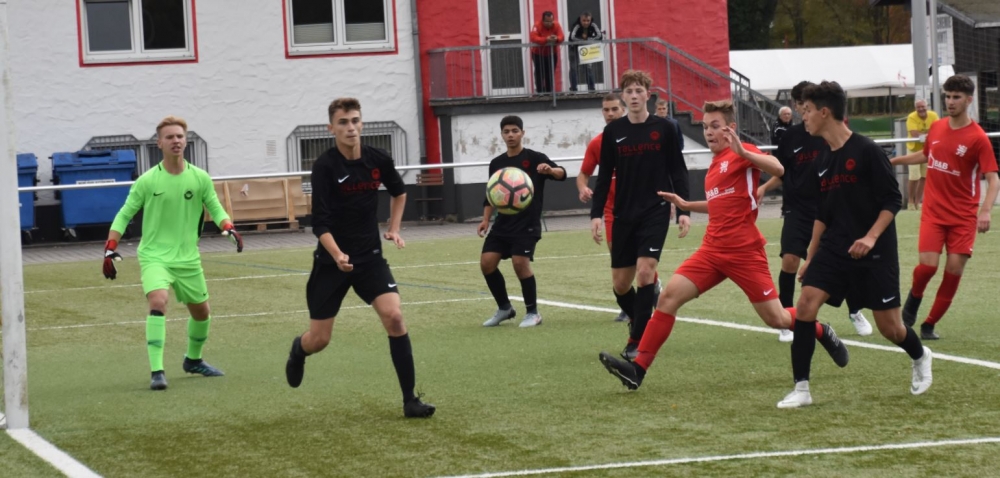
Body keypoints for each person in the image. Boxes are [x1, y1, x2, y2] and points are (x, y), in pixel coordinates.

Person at [597, 100, 848, 392]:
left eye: (715, 126)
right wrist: (686, 204)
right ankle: (637, 369)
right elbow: (718, 204)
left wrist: (744, 152)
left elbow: (779, 168)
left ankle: (820, 330)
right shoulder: (714, 166)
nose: (708, 132)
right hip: (712, 251)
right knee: (667, 298)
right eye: (705, 127)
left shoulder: (742, 152)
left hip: (744, 252)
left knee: (777, 318)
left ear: (730, 128)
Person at [778, 81, 932, 409]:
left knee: (890, 328)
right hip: (835, 248)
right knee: (805, 305)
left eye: (808, 111)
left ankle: (920, 356)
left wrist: (871, 237)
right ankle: (801, 388)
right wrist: (812, 257)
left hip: (875, 251)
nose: (804, 117)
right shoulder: (822, 159)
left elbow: (892, 200)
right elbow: (822, 214)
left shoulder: (867, 150)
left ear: (824, 112)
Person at [283, 98, 435, 418]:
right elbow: (320, 223)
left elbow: (399, 191)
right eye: (343, 122)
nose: (350, 127)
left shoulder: (378, 159)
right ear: (331, 128)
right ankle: (299, 350)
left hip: (370, 259)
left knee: (395, 317)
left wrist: (394, 228)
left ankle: (410, 400)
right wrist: (338, 254)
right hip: (331, 264)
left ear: (362, 124)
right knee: (319, 340)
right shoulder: (325, 166)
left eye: (355, 120)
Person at [104, 115, 242, 391]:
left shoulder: (199, 177)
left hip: (188, 258)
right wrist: (110, 247)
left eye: (179, 136)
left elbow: (215, 207)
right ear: (159, 143)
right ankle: (157, 371)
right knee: (158, 301)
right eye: (170, 137)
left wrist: (228, 226)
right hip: (154, 256)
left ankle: (193, 360)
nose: (175, 141)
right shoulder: (147, 181)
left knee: (202, 313)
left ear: (185, 141)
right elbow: (124, 214)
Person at [757, 81, 872, 343]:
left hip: (829, 207)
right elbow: (782, 171)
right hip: (798, 208)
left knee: (843, 259)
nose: (803, 109)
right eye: (800, 104)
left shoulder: (828, 133)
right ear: (796, 105)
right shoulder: (790, 137)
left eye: (807, 104)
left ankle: (855, 310)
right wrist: (764, 187)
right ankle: (787, 318)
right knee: (790, 260)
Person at [589, 70, 690, 360]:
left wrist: (683, 210)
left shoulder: (665, 128)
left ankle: (637, 340)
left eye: (638, 91)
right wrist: (596, 214)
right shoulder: (613, 132)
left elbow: (678, 170)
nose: (634, 96)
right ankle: (641, 318)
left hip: (656, 210)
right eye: (629, 91)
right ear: (623, 96)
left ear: (648, 94)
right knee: (621, 285)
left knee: (645, 272)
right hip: (624, 213)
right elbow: (604, 176)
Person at [891, 75, 999, 340]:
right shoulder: (937, 127)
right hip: (934, 212)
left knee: (953, 271)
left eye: (956, 97)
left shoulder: (978, 138)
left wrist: (985, 210)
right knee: (927, 267)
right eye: (948, 96)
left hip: (963, 217)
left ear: (969, 100)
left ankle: (929, 324)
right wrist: (893, 161)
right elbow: (926, 155)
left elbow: (993, 179)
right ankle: (914, 298)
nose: (950, 102)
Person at [479, 116, 567, 327]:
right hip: (502, 224)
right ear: (502, 135)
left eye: (515, 131)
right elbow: (492, 194)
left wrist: (550, 170)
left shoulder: (535, 158)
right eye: (506, 131)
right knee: (487, 263)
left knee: (520, 264)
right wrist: (485, 219)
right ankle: (505, 308)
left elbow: (562, 174)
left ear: (522, 133)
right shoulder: (497, 163)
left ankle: (533, 313)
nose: (511, 135)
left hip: (527, 224)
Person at [577, 93, 643, 322]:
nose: (610, 114)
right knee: (619, 258)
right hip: (612, 211)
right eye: (606, 110)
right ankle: (628, 301)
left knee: (643, 259)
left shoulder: (638, 137)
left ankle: (648, 291)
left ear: (623, 110)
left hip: (640, 207)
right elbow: (583, 174)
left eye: (615, 109)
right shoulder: (598, 143)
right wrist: (583, 188)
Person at [904, 99, 939, 210]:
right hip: (914, 149)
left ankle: (918, 202)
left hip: (927, 149)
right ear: (915, 108)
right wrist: (929, 133)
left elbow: (938, 130)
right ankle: (910, 201)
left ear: (927, 106)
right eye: (918, 107)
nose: (921, 109)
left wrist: (925, 134)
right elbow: (914, 134)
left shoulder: (933, 115)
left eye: (923, 106)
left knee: (924, 176)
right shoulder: (911, 117)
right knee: (914, 176)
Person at [529, 11, 564, 94]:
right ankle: (540, 92)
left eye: (551, 21)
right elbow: (533, 38)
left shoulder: (556, 25)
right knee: (539, 72)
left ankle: (549, 92)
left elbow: (561, 36)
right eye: (547, 21)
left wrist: (556, 38)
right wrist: (546, 39)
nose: (549, 23)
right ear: (543, 20)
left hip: (552, 53)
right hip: (538, 53)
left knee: (550, 73)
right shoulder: (537, 25)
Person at [567, 12, 601, 92]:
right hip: (574, 48)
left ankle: (591, 89)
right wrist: (583, 40)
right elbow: (572, 37)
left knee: (589, 68)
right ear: (580, 20)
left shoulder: (593, 25)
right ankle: (573, 89)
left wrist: (589, 40)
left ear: (590, 20)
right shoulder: (576, 25)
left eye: (588, 20)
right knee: (573, 68)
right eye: (584, 20)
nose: (586, 23)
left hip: (586, 48)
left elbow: (599, 36)